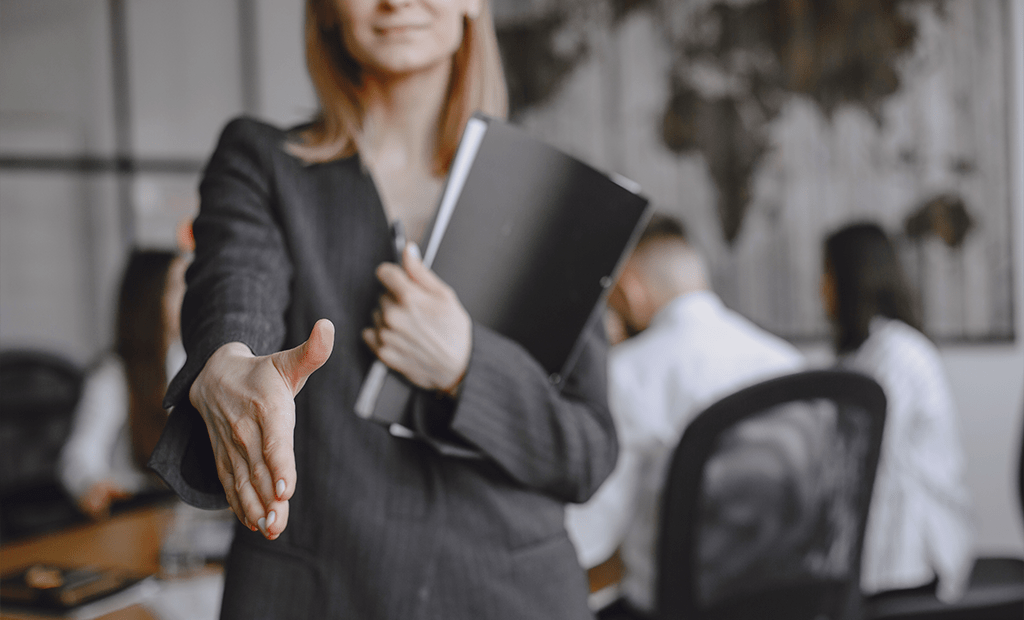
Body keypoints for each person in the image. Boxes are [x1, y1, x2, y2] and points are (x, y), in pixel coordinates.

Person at [147, 1, 617, 618]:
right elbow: (235, 283)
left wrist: (467, 367)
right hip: (319, 593)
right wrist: (230, 360)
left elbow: (585, 453)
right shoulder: (263, 161)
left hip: (510, 597)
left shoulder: (552, 192)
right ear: (328, 11)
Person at [565, 213, 804, 619]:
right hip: (790, 602)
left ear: (628, 290)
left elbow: (591, 538)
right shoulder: (788, 364)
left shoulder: (629, 373)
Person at [821, 222, 973, 603]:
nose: (819, 289)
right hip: (882, 551)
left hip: (910, 556)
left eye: (825, 275)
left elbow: (862, 462)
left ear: (851, 279)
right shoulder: (864, 356)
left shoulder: (897, 355)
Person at [59, 249, 188, 519]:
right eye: (177, 287)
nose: (189, 297)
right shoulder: (113, 375)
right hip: (137, 512)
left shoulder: (189, 362)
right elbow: (80, 457)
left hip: (185, 514)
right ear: (150, 298)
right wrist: (91, 484)